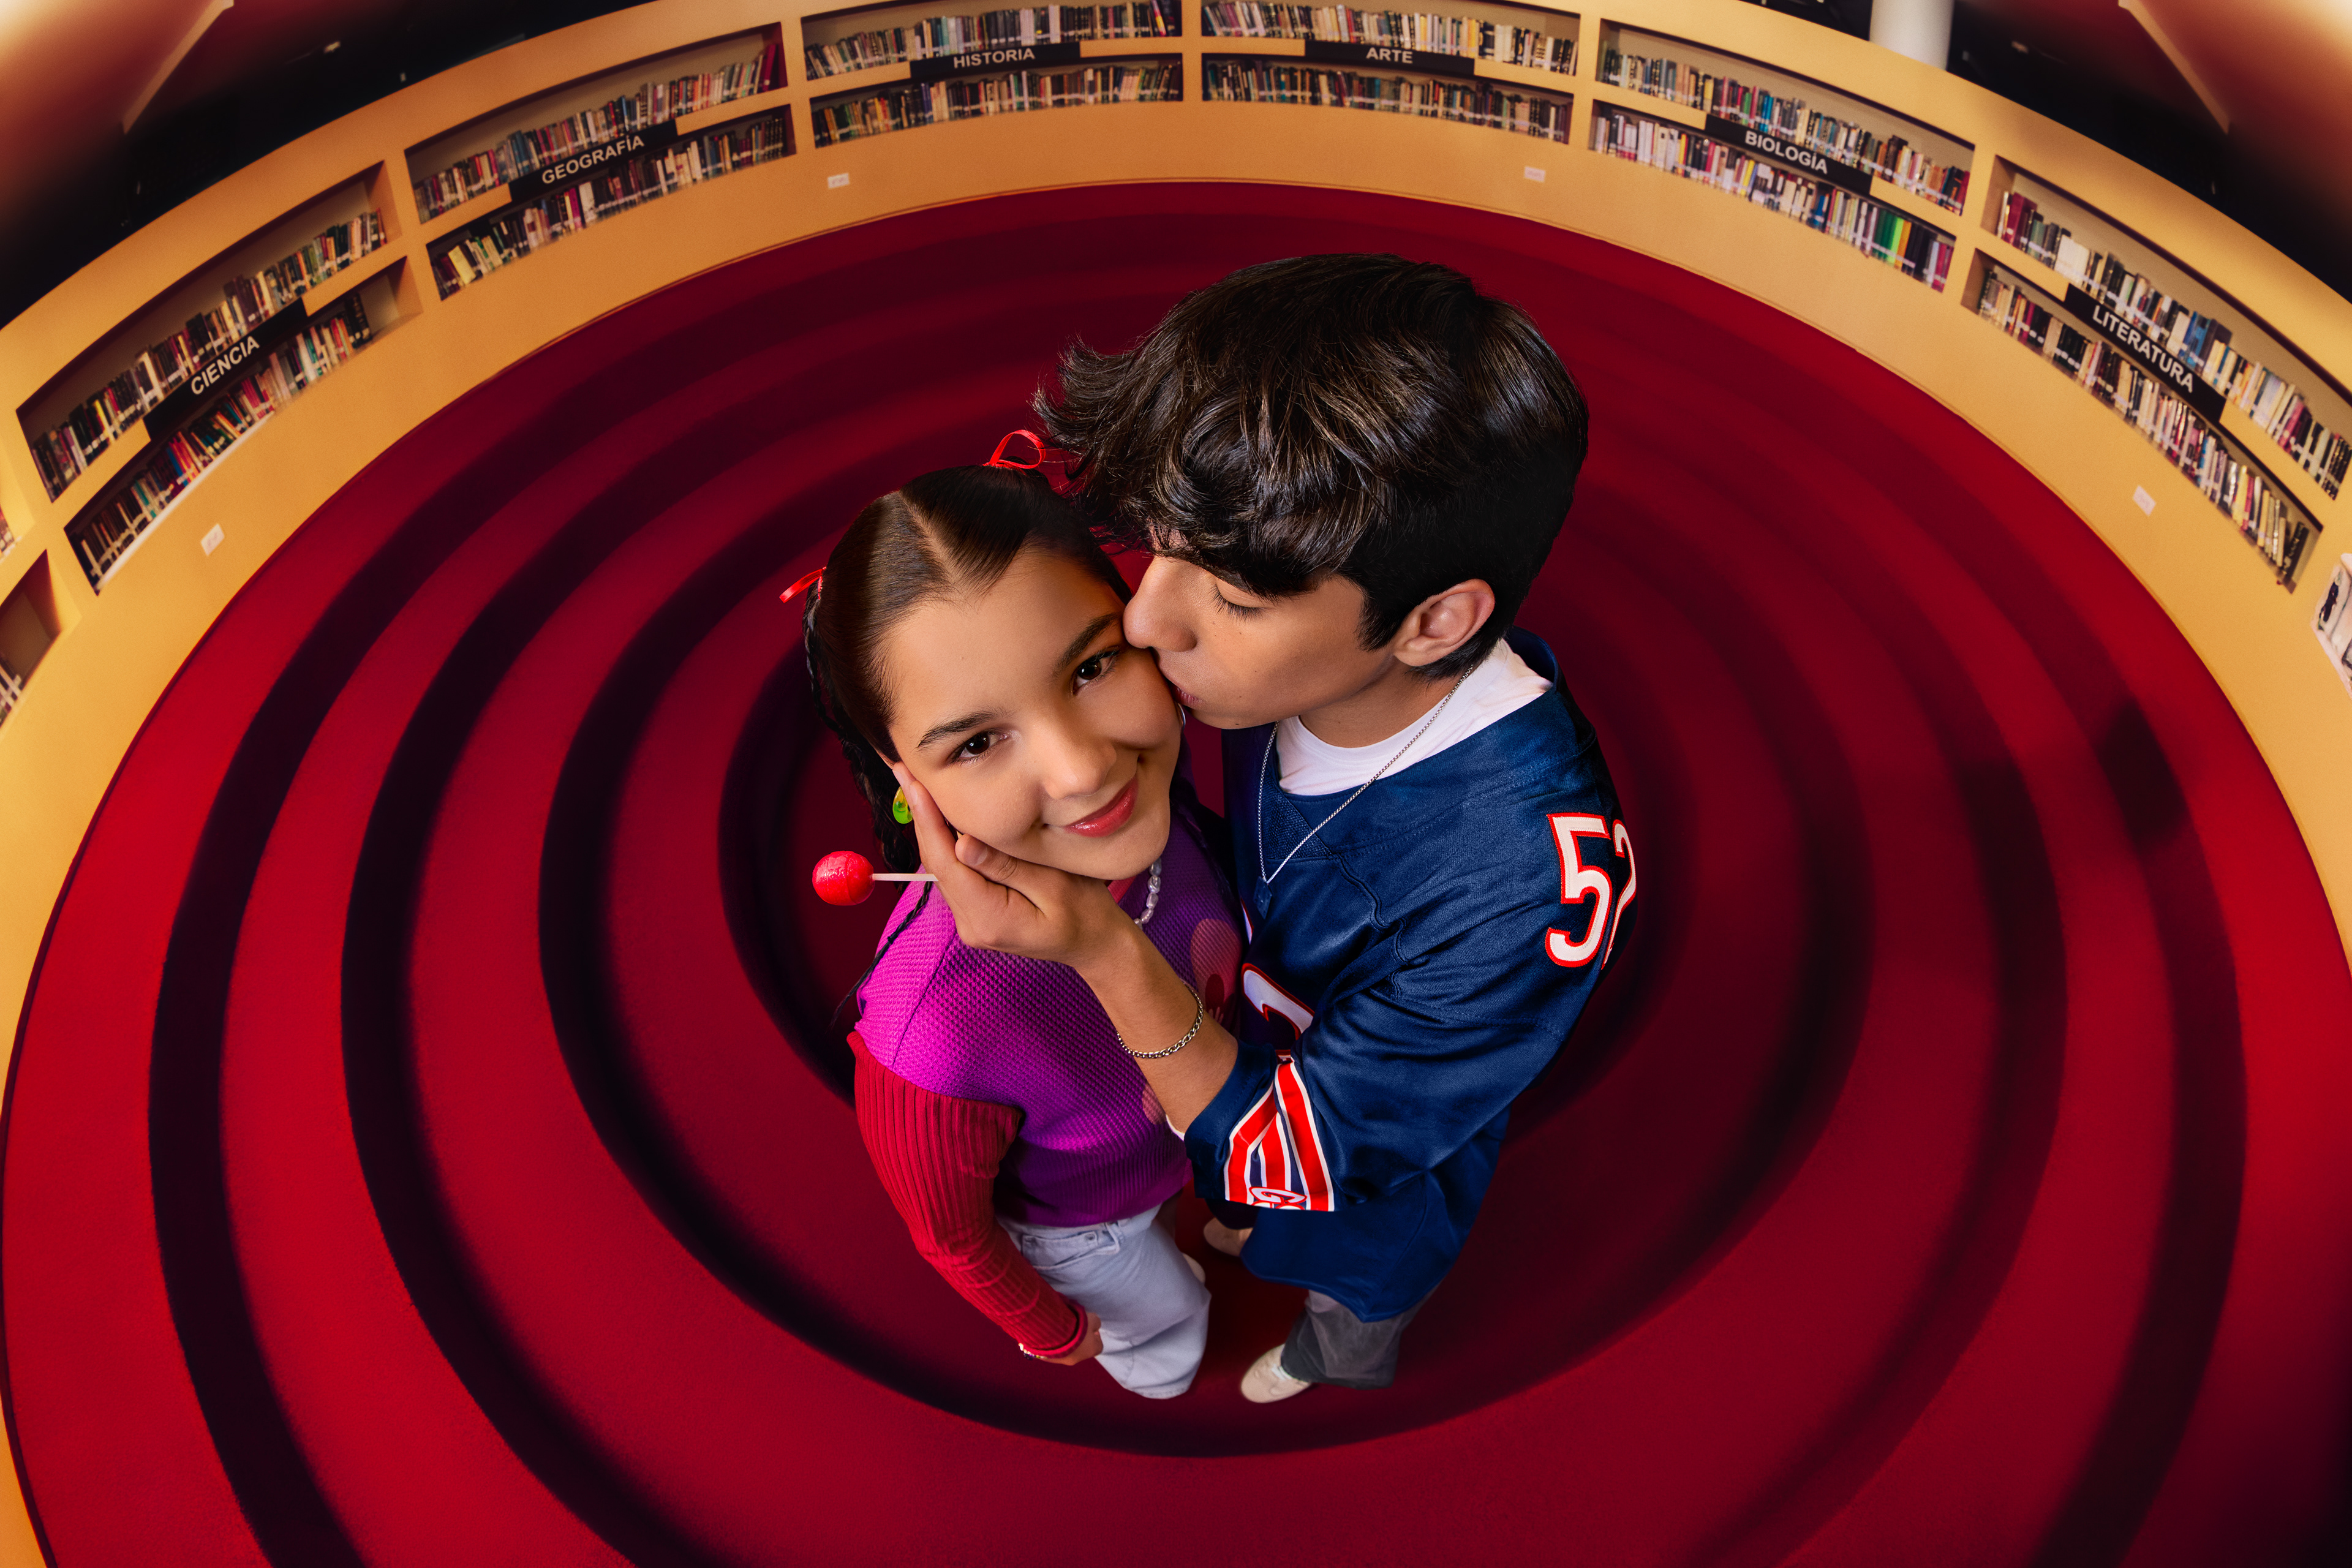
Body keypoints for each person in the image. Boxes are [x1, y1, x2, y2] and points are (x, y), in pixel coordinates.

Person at [892, 254, 1632, 1404]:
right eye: (1163, 546)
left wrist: (1102, 949)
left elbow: (1309, 1151)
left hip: (1365, 1158)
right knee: (1252, 1207)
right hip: (1240, 1048)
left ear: (1435, 622)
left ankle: (1333, 1353)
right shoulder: (1281, 668)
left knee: (1355, 1283)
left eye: (1234, 598)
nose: (1148, 619)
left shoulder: (1520, 883)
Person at [796, 454, 1242, 1398]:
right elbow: (951, 1233)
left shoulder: (1164, 800)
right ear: (903, 776)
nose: (1083, 771)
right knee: (1168, 1324)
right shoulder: (935, 1023)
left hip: (1185, 1148)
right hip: (1085, 1230)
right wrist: (1053, 1328)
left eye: (1091, 667)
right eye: (977, 742)